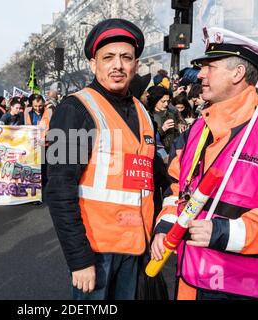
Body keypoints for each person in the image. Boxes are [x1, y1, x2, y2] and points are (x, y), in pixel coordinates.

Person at [151, 27, 258, 300]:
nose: (200, 74)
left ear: (237, 73)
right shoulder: (195, 132)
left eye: (209, 67)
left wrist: (224, 232)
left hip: (243, 288)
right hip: (190, 281)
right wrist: (166, 228)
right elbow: (175, 191)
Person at [46, 19, 168, 300]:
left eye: (126, 57)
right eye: (108, 57)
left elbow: (153, 176)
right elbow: (59, 188)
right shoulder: (73, 109)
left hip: (137, 249)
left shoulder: (142, 111)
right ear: (93, 64)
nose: (118, 65)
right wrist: (79, 260)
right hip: (96, 253)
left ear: (136, 64)